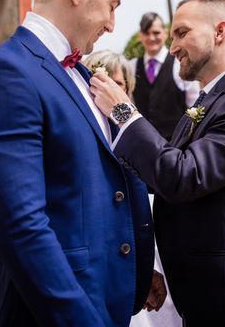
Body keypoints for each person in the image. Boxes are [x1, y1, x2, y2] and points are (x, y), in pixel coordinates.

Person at [0, 0, 161, 327]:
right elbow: (22, 231)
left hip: (105, 296)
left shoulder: (81, 74)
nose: (112, 24)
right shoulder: (4, 75)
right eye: (112, 6)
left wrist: (135, 270)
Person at [91, 0, 225, 326]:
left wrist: (123, 112)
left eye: (181, 32)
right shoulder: (210, 99)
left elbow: (182, 176)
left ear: (220, 31)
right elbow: (162, 170)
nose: (172, 47)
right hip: (204, 294)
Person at [84, 50, 181, 327]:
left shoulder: (132, 132)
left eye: (119, 84)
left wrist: (142, 268)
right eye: (102, 83)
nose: (111, 90)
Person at [131, 12, 200, 140]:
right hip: (144, 146)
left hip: (178, 146)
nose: (151, 38)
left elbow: (195, 107)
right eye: (146, 33)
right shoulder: (131, 67)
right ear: (140, 36)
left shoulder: (181, 63)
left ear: (165, 32)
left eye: (156, 32)